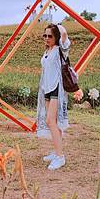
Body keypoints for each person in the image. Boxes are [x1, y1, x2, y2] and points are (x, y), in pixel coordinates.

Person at [36, 23, 70, 170]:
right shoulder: (47, 51)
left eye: (50, 35)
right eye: (45, 35)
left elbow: (65, 36)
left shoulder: (60, 50)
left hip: (56, 88)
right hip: (47, 88)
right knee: (53, 122)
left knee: (50, 121)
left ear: (55, 37)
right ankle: (57, 151)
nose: (47, 38)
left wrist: (57, 26)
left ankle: (60, 156)